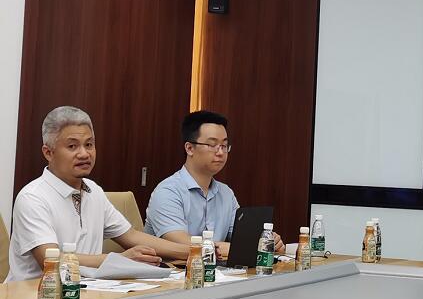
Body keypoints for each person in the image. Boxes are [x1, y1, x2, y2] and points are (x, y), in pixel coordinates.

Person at [6, 106, 188, 282]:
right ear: (48, 153)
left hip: (87, 291)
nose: (84, 154)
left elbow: (131, 236)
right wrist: (118, 260)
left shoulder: (93, 191)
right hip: (35, 295)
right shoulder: (33, 197)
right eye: (72, 146)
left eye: (89, 144)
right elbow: (52, 260)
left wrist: (194, 251)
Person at [144, 110, 284, 257]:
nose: (220, 152)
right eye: (212, 145)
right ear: (189, 148)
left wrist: (266, 241)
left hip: (216, 269)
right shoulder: (167, 191)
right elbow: (182, 244)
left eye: (224, 145)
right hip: (171, 270)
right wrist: (231, 248)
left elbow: (243, 238)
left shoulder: (226, 193)